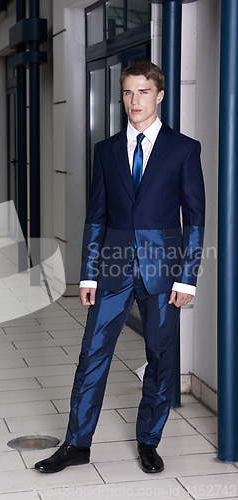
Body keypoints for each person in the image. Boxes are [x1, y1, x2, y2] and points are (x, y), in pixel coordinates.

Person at [35, 61, 205, 474]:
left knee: (161, 358)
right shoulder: (106, 150)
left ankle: (149, 440)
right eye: (128, 92)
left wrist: (188, 277)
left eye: (143, 92)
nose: (134, 101)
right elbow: (95, 216)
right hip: (111, 266)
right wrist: (88, 271)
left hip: (163, 271)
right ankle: (76, 443)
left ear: (159, 95)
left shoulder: (183, 148)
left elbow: (195, 218)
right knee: (92, 354)